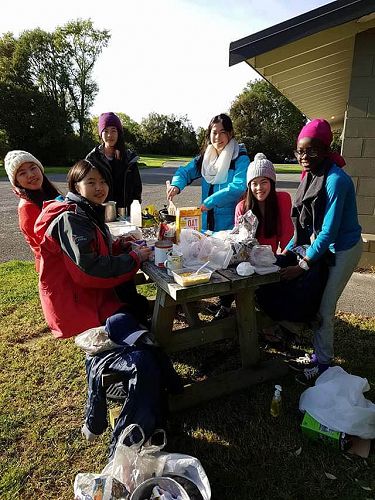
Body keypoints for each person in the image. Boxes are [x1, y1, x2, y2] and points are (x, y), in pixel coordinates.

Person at [266, 119, 362, 385]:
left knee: (325, 305)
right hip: (321, 244)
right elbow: (304, 221)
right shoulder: (310, 174)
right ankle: (310, 347)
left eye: (311, 150)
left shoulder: (336, 181)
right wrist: (290, 250)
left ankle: (324, 364)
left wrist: (304, 264)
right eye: (300, 151)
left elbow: (328, 232)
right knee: (311, 296)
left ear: (325, 149)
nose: (304, 157)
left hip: (343, 248)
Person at [35, 159, 152, 339]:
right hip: (77, 304)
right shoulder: (71, 218)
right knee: (136, 324)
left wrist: (120, 245)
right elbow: (90, 269)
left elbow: (96, 246)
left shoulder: (87, 210)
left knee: (138, 308)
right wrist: (134, 257)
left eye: (103, 181)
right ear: (76, 186)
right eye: (91, 182)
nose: (99, 187)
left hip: (88, 294)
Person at [166, 113, 249, 232]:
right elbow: (185, 172)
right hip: (205, 225)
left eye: (223, 132)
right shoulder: (205, 158)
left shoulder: (239, 158)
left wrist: (210, 202)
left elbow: (238, 186)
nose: (218, 137)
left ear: (230, 134)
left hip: (229, 227)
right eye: (214, 132)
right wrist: (176, 185)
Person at [4, 150, 62, 272]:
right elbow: (45, 245)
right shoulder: (27, 207)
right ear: (17, 182)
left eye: (33, 168)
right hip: (52, 268)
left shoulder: (49, 194)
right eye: (22, 173)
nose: (30, 175)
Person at [235, 153, 294, 254]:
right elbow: (240, 242)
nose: (259, 188)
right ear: (249, 186)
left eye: (264, 182)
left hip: (272, 261)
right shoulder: (242, 207)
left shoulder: (282, 200)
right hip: (248, 261)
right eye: (254, 183)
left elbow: (287, 234)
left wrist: (287, 259)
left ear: (271, 183)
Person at [86, 112, 142, 217]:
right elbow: (87, 189)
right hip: (100, 214)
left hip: (126, 214)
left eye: (113, 131)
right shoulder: (93, 159)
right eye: (105, 131)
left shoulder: (129, 158)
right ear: (100, 134)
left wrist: (135, 212)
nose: (109, 135)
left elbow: (136, 189)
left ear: (119, 133)